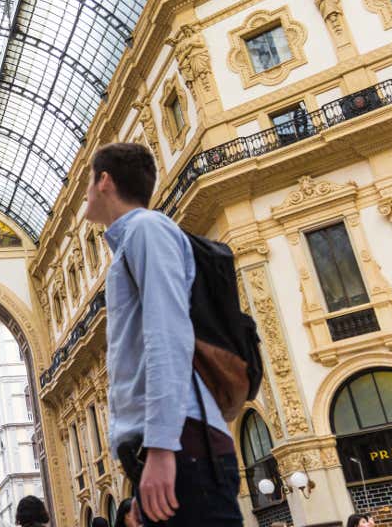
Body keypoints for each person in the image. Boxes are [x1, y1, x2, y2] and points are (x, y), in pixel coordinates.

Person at [86, 142, 241, 527]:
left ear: (105, 181)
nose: (86, 193)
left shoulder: (146, 228)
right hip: (173, 447)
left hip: (185, 447)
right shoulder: (132, 240)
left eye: (89, 181)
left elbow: (167, 334)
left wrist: (161, 448)